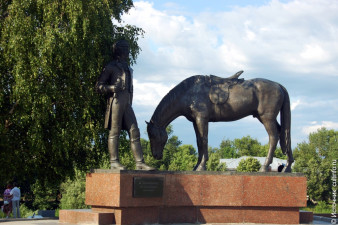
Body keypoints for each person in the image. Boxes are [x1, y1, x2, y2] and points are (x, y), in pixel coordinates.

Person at [96, 40, 154, 170]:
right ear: (120, 50)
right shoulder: (111, 67)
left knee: (134, 130)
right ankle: (114, 162)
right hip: (116, 101)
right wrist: (111, 88)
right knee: (114, 131)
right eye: (126, 49)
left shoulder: (127, 67)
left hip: (127, 103)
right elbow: (98, 86)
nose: (128, 51)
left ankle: (140, 163)